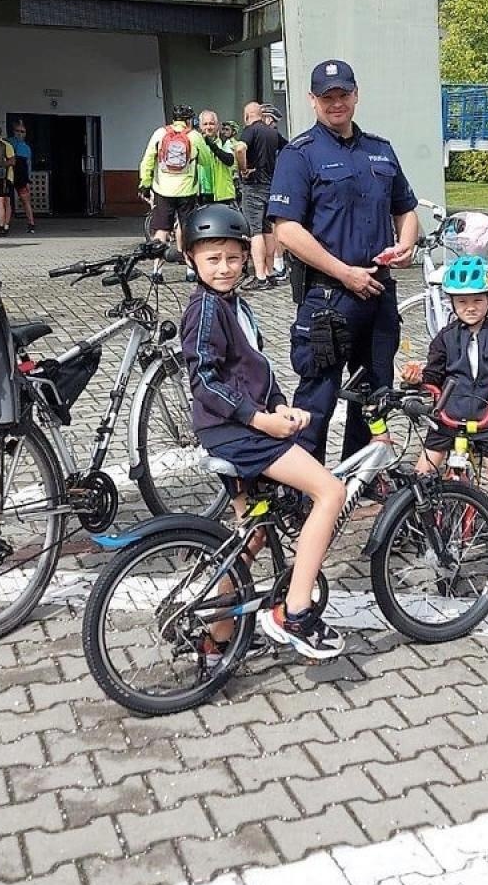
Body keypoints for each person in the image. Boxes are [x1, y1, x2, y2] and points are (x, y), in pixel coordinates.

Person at [181, 203, 348, 659]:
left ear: (247, 257)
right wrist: (260, 420)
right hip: (236, 432)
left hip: (240, 426)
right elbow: (204, 380)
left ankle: (217, 640)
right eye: (212, 259)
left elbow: (255, 368)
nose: (224, 267)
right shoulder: (205, 309)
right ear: (191, 258)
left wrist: (279, 406)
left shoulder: (235, 304)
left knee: (252, 533)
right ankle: (295, 613)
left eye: (233, 258)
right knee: (330, 492)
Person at [269, 59, 419, 461]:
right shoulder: (299, 154)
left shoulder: (380, 150)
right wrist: (344, 272)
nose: (336, 103)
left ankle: (358, 479)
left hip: (379, 294)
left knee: (374, 397)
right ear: (312, 100)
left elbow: (406, 209)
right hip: (329, 298)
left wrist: (406, 244)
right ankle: (305, 487)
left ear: (356, 95)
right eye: (327, 97)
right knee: (316, 400)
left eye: (343, 95)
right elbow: (286, 230)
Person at [399, 255, 488, 563]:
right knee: (422, 473)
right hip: (448, 416)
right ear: (452, 303)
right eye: (462, 302)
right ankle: (412, 524)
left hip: (486, 418)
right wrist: (416, 378)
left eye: (477, 300)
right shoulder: (445, 338)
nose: (470, 307)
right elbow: (433, 374)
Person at [139, 104, 203, 246]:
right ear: (189, 120)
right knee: (185, 227)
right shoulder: (194, 136)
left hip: (163, 190)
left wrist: (145, 184)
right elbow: (206, 162)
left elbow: (147, 160)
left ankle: (157, 260)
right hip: (187, 190)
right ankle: (186, 258)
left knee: (161, 229)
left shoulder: (160, 133)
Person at [238, 102, 285, 287]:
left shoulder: (250, 130)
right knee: (267, 230)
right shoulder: (272, 132)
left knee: (255, 230)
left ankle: (260, 276)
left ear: (246, 116)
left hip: (253, 185)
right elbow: (288, 148)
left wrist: (243, 169)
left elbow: (240, 148)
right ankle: (270, 272)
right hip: (270, 185)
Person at [9, 118, 36, 232]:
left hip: (21, 176)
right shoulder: (8, 142)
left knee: (26, 200)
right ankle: (5, 225)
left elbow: (28, 165)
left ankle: (31, 224)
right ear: (14, 131)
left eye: (22, 131)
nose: (20, 133)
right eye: (17, 131)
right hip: (9, 175)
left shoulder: (26, 147)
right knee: (7, 202)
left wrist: (28, 179)